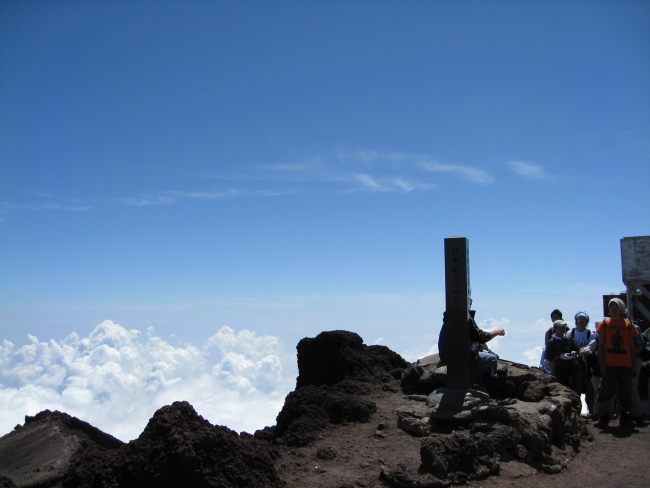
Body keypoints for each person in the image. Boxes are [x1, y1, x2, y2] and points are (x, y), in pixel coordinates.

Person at [595, 298, 644, 428]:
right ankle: (604, 417)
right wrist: (603, 364)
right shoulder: (605, 324)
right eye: (612, 307)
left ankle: (625, 416)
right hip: (610, 364)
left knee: (625, 392)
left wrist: (633, 365)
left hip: (626, 364)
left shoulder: (629, 325)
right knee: (606, 391)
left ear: (622, 309)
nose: (614, 310)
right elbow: (601, 346)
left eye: (617, 307)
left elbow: (633, 347)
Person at [438, 303, 506, 380]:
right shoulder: (464, 316)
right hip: (459, 357)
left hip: (446, 355)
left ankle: (469, 376)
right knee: (492, 359)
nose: (471, 301)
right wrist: (497, 332)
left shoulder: (451, 317)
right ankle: (467, 377)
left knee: (487, 353)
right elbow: (481, 337)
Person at [570, 312, 595, 415]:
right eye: (579, 319)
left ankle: (592, 412)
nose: (581, 321)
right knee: (576, 390)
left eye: (583, 319)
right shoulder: (570, 333)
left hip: (588, 366)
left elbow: (592, 347)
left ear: (586, 322)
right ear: (576, 321)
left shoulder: (590, 334)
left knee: (590, 390)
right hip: (574, 366)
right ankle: (576, 413)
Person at [545, 320, 578, 388]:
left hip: (570, 367)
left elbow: (576, 348)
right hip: (559, 368)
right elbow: (548, 357)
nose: (562, 329)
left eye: (563, 327)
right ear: (555, 328)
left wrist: (574, 353)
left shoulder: (568, 338)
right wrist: (560, 357)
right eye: (560, 327)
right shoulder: (552, 342)